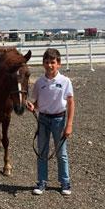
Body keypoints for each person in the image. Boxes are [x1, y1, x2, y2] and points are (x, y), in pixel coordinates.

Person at [26, 48, 75, 196]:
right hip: (43, 120)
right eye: (47, 62)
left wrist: (69, 125)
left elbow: (71, 103)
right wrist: (32, 106)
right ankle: (41, 181)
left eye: (53, 62)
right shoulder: (39, 82)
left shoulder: (65, 81)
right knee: (42, 152)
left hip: (59, 119)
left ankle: (65, 182)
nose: (50, 65)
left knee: (61, 153)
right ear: (43, 64)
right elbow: (37, 103)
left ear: (58, 64)